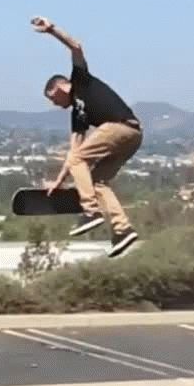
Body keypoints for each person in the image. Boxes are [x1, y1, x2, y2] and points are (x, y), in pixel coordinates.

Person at [32, 16, 142, 257]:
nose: (55, 104)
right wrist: (59, 183)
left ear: (59, 88)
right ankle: (123, 230)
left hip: (121, 127)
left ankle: (90, 212)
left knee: (80, 161)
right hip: (131, 137)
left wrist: (51, 30)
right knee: (97, 181)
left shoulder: (80, 80)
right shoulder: (77, 115)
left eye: (53, 99)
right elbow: (74, 154)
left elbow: (76, 47)